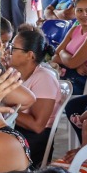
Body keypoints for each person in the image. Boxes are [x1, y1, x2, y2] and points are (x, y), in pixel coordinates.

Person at [7, 25, 61, 163]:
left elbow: (37, 126)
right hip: (17, 128)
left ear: (30, 55)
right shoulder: (15, 73)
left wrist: (4, 107)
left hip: (34, 140)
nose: (8, 51)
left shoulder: (44, 78)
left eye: (13, 48)